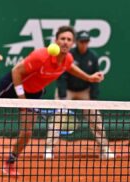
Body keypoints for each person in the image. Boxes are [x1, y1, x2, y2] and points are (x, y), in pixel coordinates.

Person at [0, 26, 104, 177]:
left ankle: (10, 163)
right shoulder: (41, 56)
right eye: (62, 39)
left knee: (26, 133)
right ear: (56, 41)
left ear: (73, 43)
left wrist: (89, 78)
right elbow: (16, 71)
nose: (65, 42)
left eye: (69, 39)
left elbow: (69, 67)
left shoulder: (68, 59)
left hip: (34, 93)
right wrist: (21, 99)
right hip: (15, 84)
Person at [44, 30, 115, 160]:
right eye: (81, 41)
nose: (83, 44)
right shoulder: (69, 55)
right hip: (68, 91)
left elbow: (95, 78)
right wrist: (63, 96)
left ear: (88, 42)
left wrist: (93, 97)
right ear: (77, 42)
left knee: (95, 118)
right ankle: (49, 149)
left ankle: (105, 148)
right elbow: (62, 76)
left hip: (84, 91)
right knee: (58, 117)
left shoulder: (92, 56)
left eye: (86, 41)